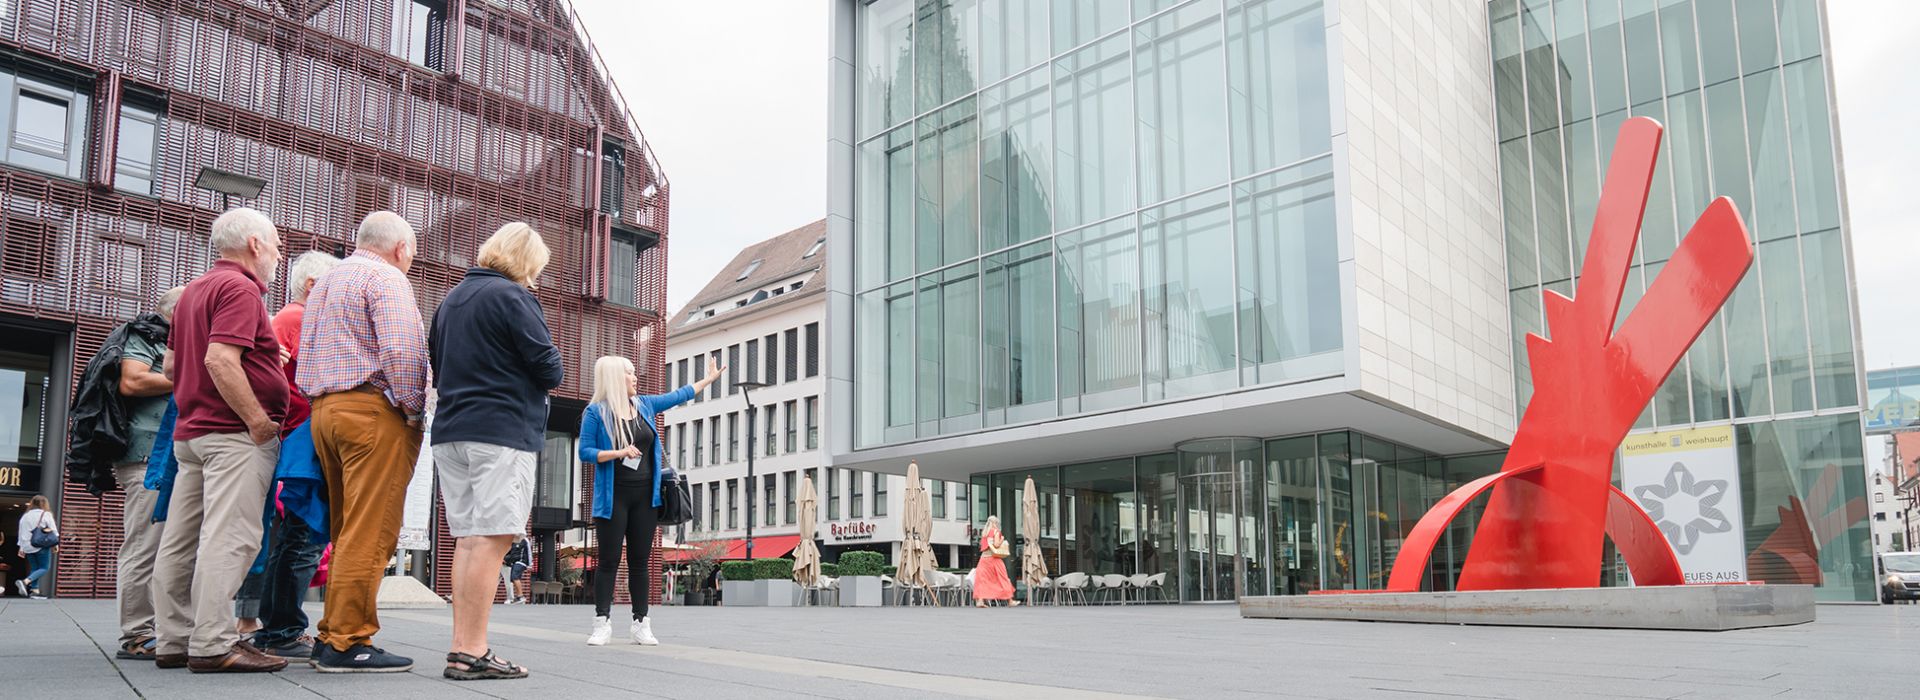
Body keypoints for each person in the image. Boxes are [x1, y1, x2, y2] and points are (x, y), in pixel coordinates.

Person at [152, 207, 289, 673]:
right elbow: (220, 360)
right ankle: (211, 643)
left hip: (191, 433)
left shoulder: (192, 291)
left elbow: (171, 368)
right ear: (254, 244)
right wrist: (257, 421)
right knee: (230, 536)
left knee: (181, 538)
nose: (277, 253)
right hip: (232, 434)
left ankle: (173, 639)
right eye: (274, 244)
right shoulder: (240, 288)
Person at [428, 222, 564, 680]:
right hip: (501, 430)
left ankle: (461, 646)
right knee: (494, 537)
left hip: (452, 429)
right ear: (526, 262)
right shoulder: (513, 297)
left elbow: (437, 361)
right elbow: (550, 368)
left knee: (468, 539)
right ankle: (472, 649)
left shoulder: (451, 300)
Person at [297, 211, 429, 673]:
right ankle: (348, 640)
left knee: (347, 527)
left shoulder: (327, 282)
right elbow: (403, 351)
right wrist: (414, 408)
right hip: (372, 411)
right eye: (412, 251)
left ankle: (332, 631)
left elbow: (307, 351)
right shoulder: (387, 279)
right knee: (370, 529)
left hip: (325, 410)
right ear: (401, 248)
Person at [578, 354, 721, 646]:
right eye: (630, 374)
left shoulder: (643, 405)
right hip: (613, 497)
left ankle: (641, 623)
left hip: (646, 498)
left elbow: (677, 395)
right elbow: (585, 452)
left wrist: (707, 381)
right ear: (616, 378)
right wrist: (617, 453)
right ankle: (601, 623)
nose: (634, 378)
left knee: (640, 562)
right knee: (608, 562)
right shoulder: (596, 412)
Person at [245, 250, 341, 661]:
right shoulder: (299, 320)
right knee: (299, 539)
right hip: (297, 440)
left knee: (291, 540)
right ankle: (282, 629)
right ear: (313, 286)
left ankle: (277, 627)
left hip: (292, 438)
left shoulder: (287, 319)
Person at [112, 287, 185, 659]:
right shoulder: (146, 335)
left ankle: (160, 629)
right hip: (145, 456)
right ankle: (136, 633)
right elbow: (133, 381)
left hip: (170, 456)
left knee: (167, 545)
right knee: (144, 546)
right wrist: (191, 377)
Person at [14, 494, 57, 599]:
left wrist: (21, 547)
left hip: (28, 546)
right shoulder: (45, 514)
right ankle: (25, 581)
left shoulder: (25, 516)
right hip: (41, 544)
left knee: (35, 567)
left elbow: (21, 532)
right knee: (44, 567)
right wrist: (55, 544)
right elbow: (53, 529)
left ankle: (35, 591)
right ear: (45, 504)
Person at [972, 515, 1016, 608]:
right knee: (1002, 578)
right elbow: (996, 545)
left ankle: (980, 600)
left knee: (982, 580)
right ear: (995, 523)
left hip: (983, 559)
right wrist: (1002, 540)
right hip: (994, 559)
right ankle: (1010, 600)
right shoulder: (996, 532)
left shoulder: (984, 533)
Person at [502, 536, 532, 604]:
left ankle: (521, 596)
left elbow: (529, 552)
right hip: (514, 563)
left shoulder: (524, 540)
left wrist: (530, 565)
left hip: (522, 562)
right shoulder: (513, 540)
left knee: (515, 577)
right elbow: (512, 554)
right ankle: (519, 597)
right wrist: (506, 560)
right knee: (512, 578)